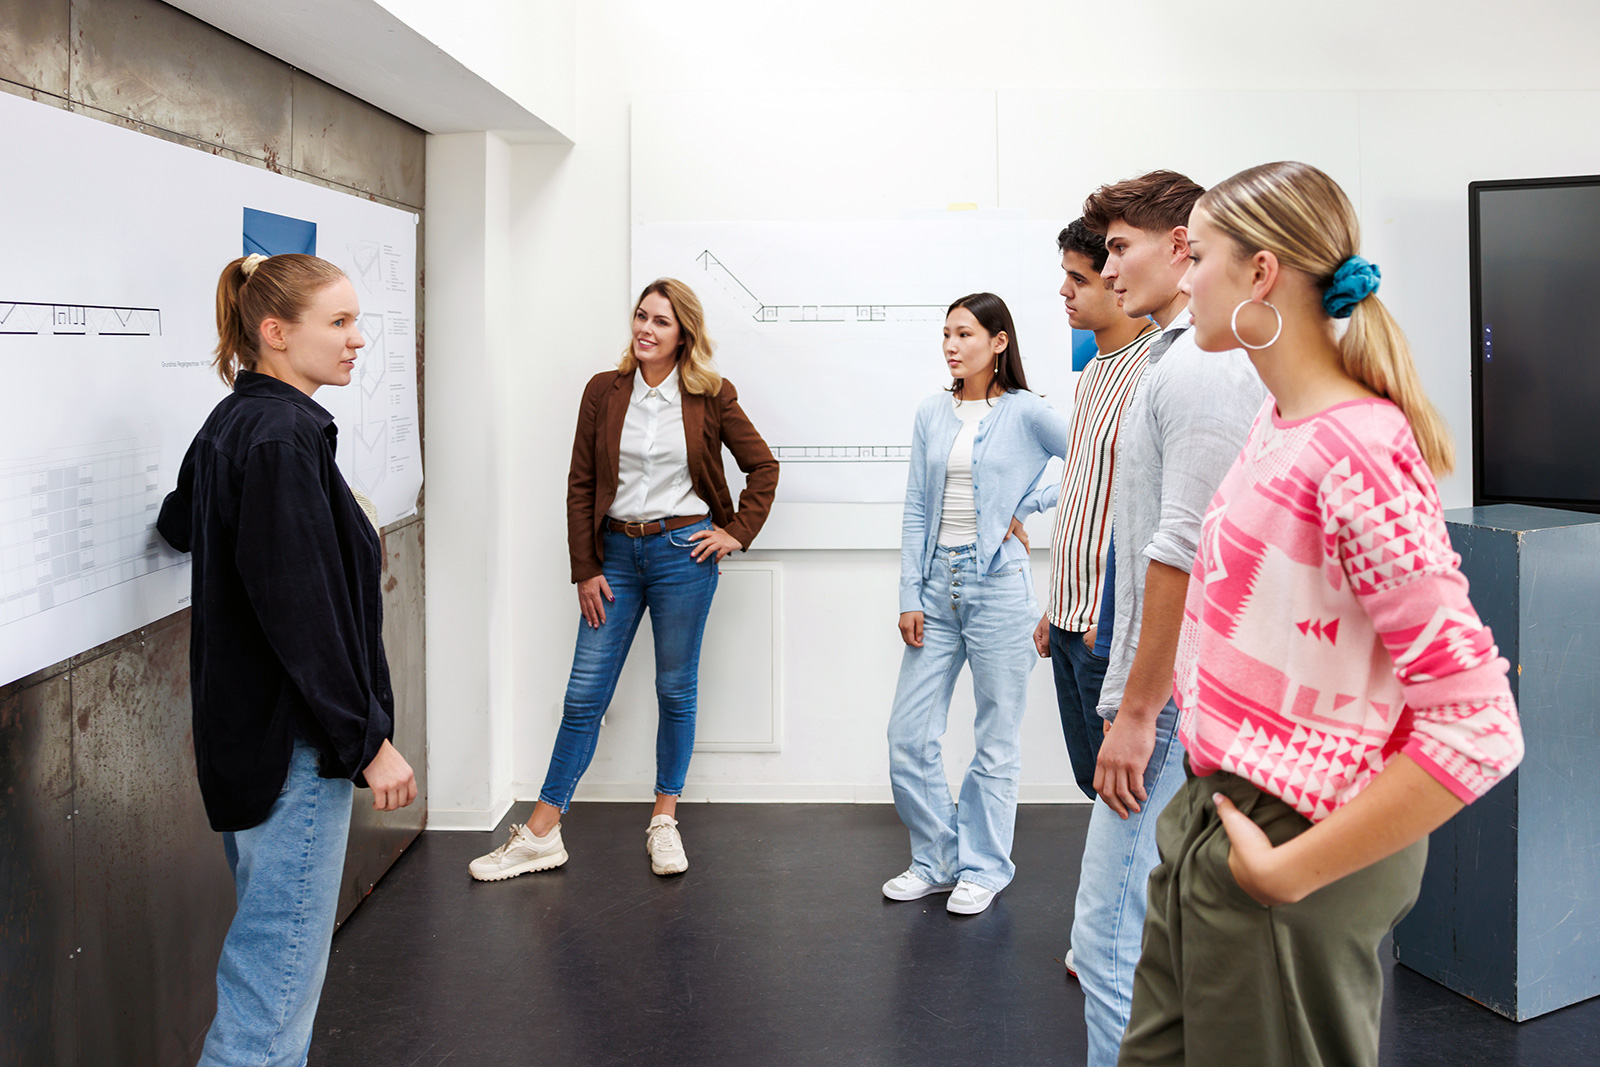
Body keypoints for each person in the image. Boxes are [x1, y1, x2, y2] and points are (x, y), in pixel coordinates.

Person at [1117, 161, 1524, 1067]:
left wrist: (1287, 871)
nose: (1184, 281)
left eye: (1203, 256)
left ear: (1261, 274)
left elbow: (1481, 726)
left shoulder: (1359, 451)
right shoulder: (1281, 419)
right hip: (1218, 810)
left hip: (1294, 838)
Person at [157, 252, 418, 1067]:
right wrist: (367, 740)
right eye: (338, 323)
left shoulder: (238, 420)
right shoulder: (281, 436)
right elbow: (303, 615)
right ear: (276, 333)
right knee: (269, 1002)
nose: (358, 340)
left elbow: (181, 520)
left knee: (270, 969)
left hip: (250, 744)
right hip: (293, 751)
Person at [469, 278, 778, 881]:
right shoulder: (605, 392)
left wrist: (736, 531)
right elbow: (581, 482)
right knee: (585, 693)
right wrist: (584, 567)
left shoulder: (711, 394)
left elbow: (762, 465)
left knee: (675, 690)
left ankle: (664, 818)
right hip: (614, 556)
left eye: (661, 321)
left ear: (683, 333)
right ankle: (542, 832)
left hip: (682, 555)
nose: (646, 329)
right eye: (641, 316)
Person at [1070, 171, 1267, 1066]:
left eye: (1118, 248)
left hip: (1176, 701)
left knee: (1107, 943)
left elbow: (1185, 548)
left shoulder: (1199, 366)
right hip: (1176, 690)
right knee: (1143, 938)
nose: (1107, 271)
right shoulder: (1173, 361)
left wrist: (1140, 712)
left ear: (1182, 246)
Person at [882, 292, 1071, 916]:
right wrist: (910, 593)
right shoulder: (931, 413)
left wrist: (1025, 506)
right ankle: (936, 859)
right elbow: (915, 507)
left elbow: (1087, 461)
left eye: (964, 334)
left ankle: (985, 868)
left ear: (998, 342)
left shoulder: (1024, 412)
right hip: (937, 586)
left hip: (999, 589)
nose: (951, 345)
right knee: (909, 734)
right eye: (946, 335)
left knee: (995, 736)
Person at [1033, 219, 1161, 800]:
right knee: (1093, 784)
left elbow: (1148, 515)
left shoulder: (1153, 371)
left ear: (1115, 281)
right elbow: (1088, 493)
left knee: (1126, 795)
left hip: (1101, 631)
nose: (1066, 291)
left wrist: (1102, 620)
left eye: (1077, 279)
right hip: (1068, 620)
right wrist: (1055, 605)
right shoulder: (1091, 375)